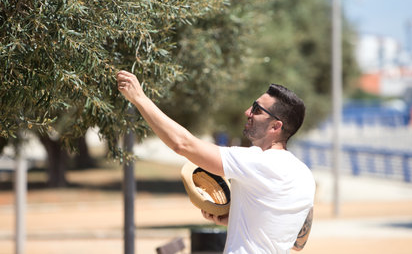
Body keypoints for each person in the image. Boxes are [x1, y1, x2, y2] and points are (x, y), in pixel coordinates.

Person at [117, 70, 315, 253]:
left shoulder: (256, 161)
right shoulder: (304, 174)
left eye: (257, 109)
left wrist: (139, 98)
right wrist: (239, 219)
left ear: (275, 126)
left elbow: (183, 144)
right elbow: (299, 241)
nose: (248, 112)